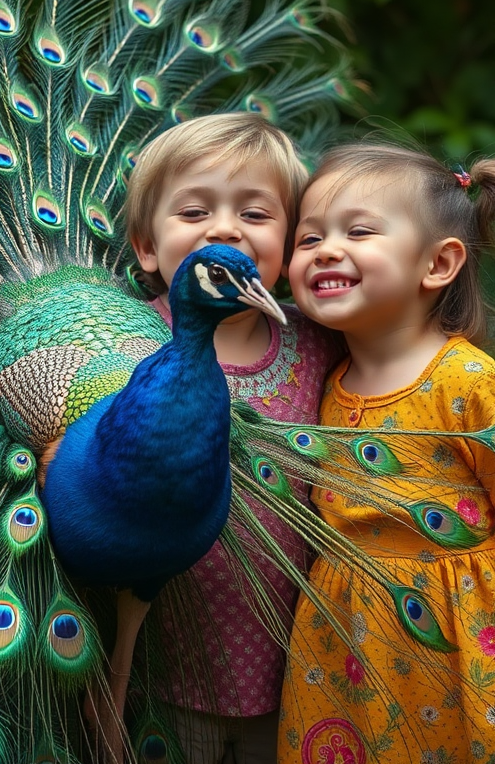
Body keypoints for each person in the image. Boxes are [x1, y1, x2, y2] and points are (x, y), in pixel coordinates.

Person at [123, 112, 338, 764]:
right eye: (194, 211)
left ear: (291, 245)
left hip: (297, 671)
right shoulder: (123, 341)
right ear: (147, 247)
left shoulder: (321, 342)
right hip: (162, 663)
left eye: (255, 213)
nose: (224, 227)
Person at [278, 141, 495, 764]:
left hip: (457, 646)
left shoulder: (467, 382)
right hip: (338, 646)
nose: (326, 249)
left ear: (438, 263)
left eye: (360, 230)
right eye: (307, 238)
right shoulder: (321, 383)